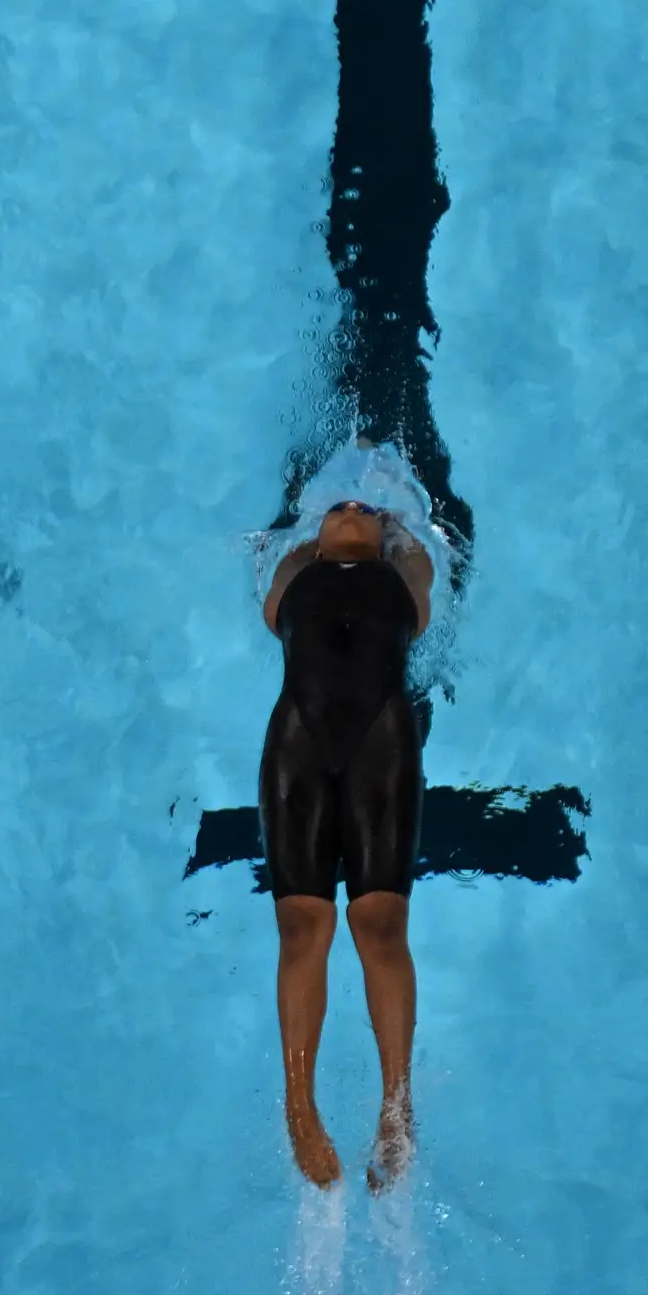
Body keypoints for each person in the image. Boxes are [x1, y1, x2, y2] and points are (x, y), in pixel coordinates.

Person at [259, 498, 433, 1192]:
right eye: (338, 507)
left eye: (366, 509)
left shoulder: (405, 577)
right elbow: (273, 570)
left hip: (381, 743)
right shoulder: (295, 577)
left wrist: (405, 531)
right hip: (296, 747)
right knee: (304, 925)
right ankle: (299, 1107)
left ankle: (397, 1107)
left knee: (379, 920)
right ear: (317, 536)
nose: (352, 506)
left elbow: (427, 564)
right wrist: (300, 540)